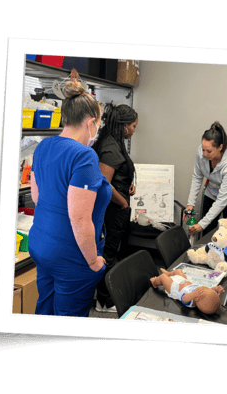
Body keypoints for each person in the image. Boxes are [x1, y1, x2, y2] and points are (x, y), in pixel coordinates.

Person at [28, 77, 111, 318]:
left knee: (45, 308)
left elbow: (37, 197)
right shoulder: (84, 156)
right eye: (98, 124)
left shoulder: (43, 146)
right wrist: (93, 260)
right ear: (91, 122)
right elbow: (80, 218)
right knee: (69, 319)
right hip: (71, 255)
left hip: (41, 245)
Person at [92, 104, 138, 312]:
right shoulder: (111, 145)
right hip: (112, 209)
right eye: (134, 126)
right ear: (125, 126)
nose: (134, 131)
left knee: (113, 252)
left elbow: (114, 175)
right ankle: (104, 301)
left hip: (117, 204)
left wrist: (126, 182)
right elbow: (103, 183)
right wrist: (123, 201)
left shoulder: (113, 139)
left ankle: (106, 296)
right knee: (108, 253)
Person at [184, 121, 227, 237]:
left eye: (209, 151)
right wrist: (190, 204)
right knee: (207, 234)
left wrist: (202, 224)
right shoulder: (202, 152)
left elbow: (222, 199)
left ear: (220, 147)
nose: (204, 154)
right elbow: (197, 177)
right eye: (203, 149)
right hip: (211, 193)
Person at [150, 268, 225, 314]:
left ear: (197, 298)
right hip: (183, 281)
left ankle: (154, 282)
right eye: (206, 288)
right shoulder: (201, 295)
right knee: (178, 271)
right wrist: (216, 289)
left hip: (174, 288)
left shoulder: (191, 301)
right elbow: (208, 293)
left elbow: (184, 299)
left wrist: (193, 294)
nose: (204, 287)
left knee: (163, 277)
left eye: (204, 289)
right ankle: (169, 273)